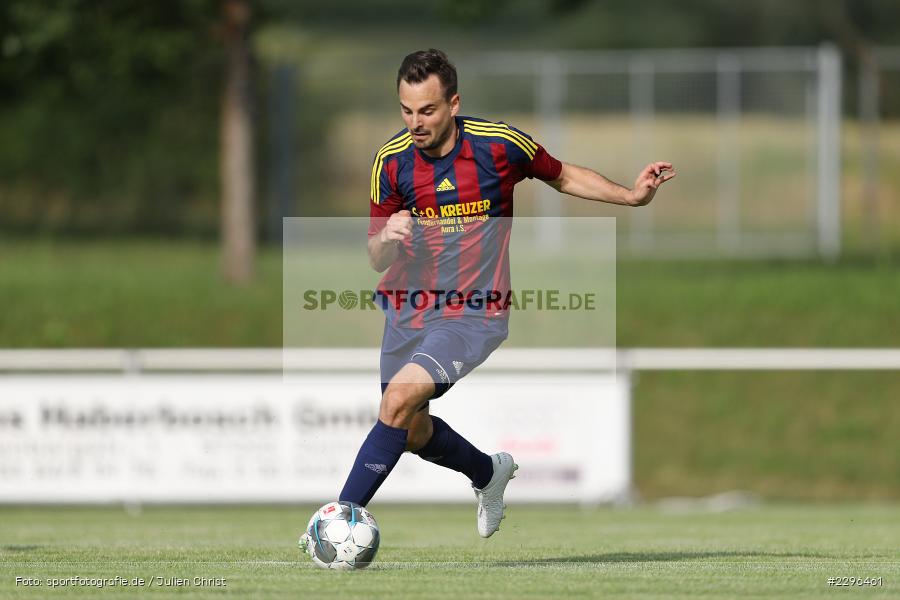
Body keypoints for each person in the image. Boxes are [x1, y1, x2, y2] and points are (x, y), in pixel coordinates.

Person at [338, 49, 674, 537]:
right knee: (410, 429)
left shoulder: (498, 145)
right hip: (408, 310)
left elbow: (562, 175)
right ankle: (487, 472)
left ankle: (338, 520)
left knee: (397, 400)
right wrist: (388, 236)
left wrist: (631, 196)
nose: (415, 122)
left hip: (474, 312)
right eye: (407, 111)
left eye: (427, 110)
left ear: (454, 104)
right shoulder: (391, 162)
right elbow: (375, 256)